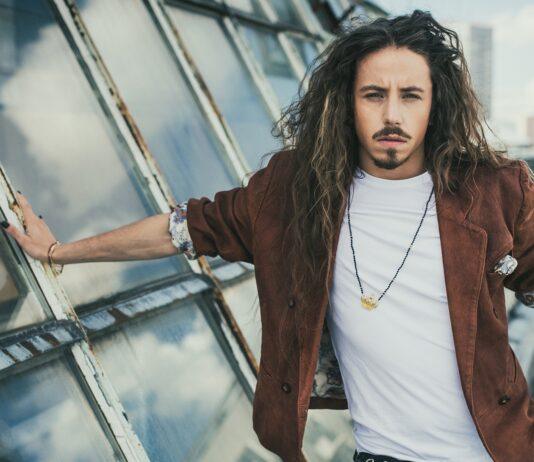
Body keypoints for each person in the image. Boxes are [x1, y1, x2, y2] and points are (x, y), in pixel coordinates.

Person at [2, 9, 533, 462]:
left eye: (410, 96)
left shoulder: (494, 190)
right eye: (374, 95)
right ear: (346, 102)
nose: (392, 115)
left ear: (436, 103)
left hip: (497, 450)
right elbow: (187, 227)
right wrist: (60, 251)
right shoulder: (296, 192)